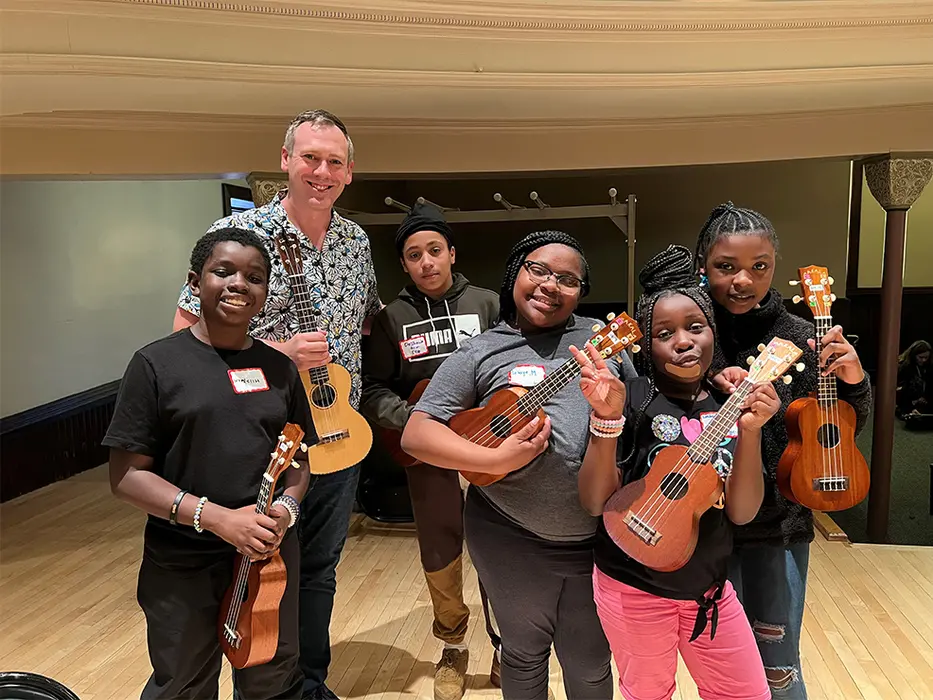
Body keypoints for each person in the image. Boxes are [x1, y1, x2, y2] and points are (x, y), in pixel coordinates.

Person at [172, 110, 382, 700]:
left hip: (336, 433)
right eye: (310, 157)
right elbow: (183, 332)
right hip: (255, 436)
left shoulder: (355, 241)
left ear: (349, 172)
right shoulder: (240, 237)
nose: (322, 171)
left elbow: (357, 327)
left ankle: (303, 685)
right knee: (248, 569)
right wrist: (279, 353)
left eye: (335, 161)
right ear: (286, 159)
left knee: (318, 568)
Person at [401, 231, 638, 700]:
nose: (551, 284)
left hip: (597, 536)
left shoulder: (602, 343)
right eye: (539, 270)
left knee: (590, 661)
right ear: (516, 273)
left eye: (567, 279)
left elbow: (651, 414)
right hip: (507, 534)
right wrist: (494, 458)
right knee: (522, 654)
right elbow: (417, 432)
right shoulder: (481, 349)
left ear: (581, 293)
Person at [105, 227, 316, 699]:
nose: (240, 283)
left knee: (272, 679)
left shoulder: (279, 368)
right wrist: (217, 518)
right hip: (183, 559)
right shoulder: (155, 365)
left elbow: (299, 461)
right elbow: (126, 477)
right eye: (224, 271)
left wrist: (285, 512)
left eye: (255, 276)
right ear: (195, 282)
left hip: (269, 557)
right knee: (183, 684)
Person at [576, 244, 776, 700]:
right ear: (647, 346)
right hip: (633, 588)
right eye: (665, 333)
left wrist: (752, 431)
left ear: (712, 332)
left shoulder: (731, 403)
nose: (683, 340)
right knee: (647, 694)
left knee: (747, 693)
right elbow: (594, 502)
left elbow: (741, 512)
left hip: (710, 592)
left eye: (695, 327)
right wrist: (606, 420)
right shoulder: (629, 395)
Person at [694, 202, 871, 698]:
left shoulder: (800, 335)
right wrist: (708, 380)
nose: (742, 280)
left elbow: (839, 426)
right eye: (725, 266)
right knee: (720, 666)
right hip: (701, 525)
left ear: (776, 265)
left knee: (778, 663)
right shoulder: (690, 333)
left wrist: (854, 380)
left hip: (779, 528)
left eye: (760, 266)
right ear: (702, 264)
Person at [359, 202, 501, 699]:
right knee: (440, 547)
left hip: (488, 444)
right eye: (414, 254)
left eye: (434, 251)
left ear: (451, 253)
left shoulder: (488, 304)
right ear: (404, 264)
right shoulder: (390, 318)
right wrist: (416, 424)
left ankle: (507, 648)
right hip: (426, 452)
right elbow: (373, 388)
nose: (427, 263)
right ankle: (454, 647)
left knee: (498, 545)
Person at [896, 339, 931, 417]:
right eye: (920, 357)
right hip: (906, 401)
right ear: (914, 355)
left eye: (926, 357)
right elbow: (902, 391)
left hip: (922, 401)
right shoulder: (904, 367)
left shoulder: (928, 367)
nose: (924, 360)